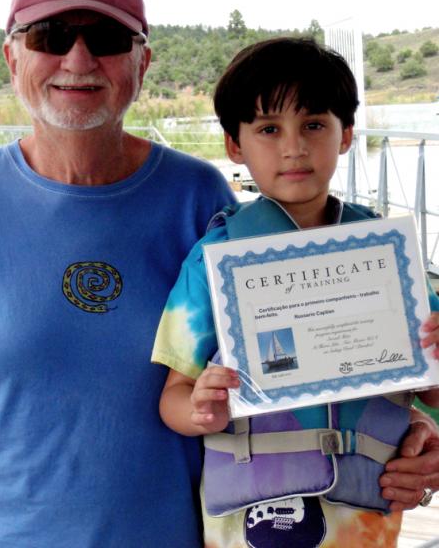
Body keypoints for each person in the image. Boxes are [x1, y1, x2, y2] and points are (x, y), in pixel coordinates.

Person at [0, 0, 236, 548]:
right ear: (11, 59)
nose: (78, 61)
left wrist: (402, 423)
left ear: (142, 62)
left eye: (106, 39)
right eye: (50, 37)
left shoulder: (199, 198)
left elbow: (280, 361)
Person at [152, 37, 439, 547]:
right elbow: (173, 396)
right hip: (248, 524)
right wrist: (199, 410)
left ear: (345, 134)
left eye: (313, 125)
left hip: (366, 522)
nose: (293, 147)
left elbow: (430, 388)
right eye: (268, 129)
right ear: (234, 146)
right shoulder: (214, 258)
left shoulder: (390, 256)